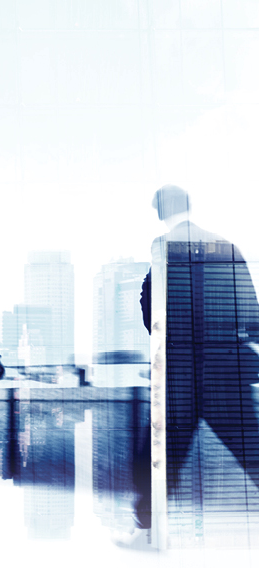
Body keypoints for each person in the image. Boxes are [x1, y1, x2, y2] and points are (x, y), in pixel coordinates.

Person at [122, 184, 259, 547]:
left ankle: (147, 530)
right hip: (227, 368)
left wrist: (167, 341)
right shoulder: (225, 245)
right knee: (253, 449)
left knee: (157, 454)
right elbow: (250, 307)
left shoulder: (163, 247)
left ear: (162, 212)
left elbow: (149, 307)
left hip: (179, 372)